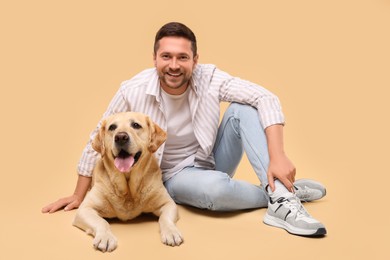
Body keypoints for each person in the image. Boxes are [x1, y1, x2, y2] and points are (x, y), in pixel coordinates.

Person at [42, 22, 327, 236]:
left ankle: (280, 198)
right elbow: (100, 134)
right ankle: (281, 193)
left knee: (244, 108)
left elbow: (266, 97)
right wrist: (79, 194)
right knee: (216, 192)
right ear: (155, 59)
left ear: (195, 60)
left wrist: (277, 155)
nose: (174, 65)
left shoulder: (210, 77)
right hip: (172, 176)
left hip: (211, 159)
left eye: (182, 57)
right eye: (166, 57)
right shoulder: (133, 89)